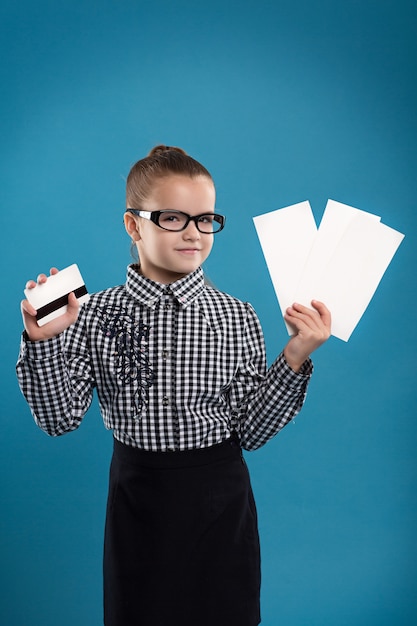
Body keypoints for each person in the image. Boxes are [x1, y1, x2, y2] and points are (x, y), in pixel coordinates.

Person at [16, 145, 331, 626]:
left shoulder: (236, 314)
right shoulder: (90, 314)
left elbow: (252, 431)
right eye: (172, 217)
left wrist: (294, 356)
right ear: (133, 224)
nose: (193, 233)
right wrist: (42, 344)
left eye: (205, 219)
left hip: (221, 502)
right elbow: (59, 420)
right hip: (138, 499)